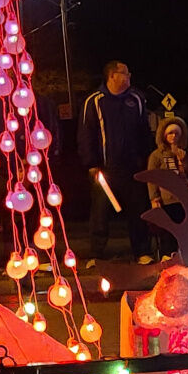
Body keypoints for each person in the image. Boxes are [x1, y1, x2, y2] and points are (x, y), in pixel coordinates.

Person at [80, 61, 150, 259]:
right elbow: (86, 134)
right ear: (112, 76)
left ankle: (142, 251)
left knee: (138, 210)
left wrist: (145, 160)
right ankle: (96, 254)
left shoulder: (136, 99)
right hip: (105, 168)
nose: (129, 77)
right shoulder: (94, 101)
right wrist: (91, 163)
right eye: (125, 73)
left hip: (132, 168)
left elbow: (144, 132)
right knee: (100, 212)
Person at [144, 114, 188, 263]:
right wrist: (154, 197)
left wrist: (185, 162)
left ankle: (181, 253)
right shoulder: (157, 156)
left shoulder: (182, 153)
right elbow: (151, 178)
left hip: (182, 199)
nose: (173, 136)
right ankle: (167, 253)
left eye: (176, 133)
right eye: (170, 133)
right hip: (166, 199)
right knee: (167, 228)